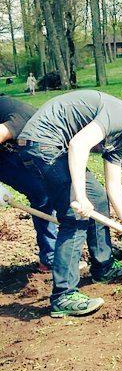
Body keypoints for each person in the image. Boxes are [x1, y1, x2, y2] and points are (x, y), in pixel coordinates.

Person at [16, 89, 122, 318]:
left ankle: (103, 266)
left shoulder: (120, 135)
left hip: (51, 148)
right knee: (74, 216)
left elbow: (114, 187)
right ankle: (63, 295)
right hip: (42, 144)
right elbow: (78, 145)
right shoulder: (119, 112)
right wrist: (78, 195)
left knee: (97, 197)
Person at [0, 95, 57, 270]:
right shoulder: (24, 119)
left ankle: (50, 259)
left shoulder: (49, 136)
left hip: (6, 155)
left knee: (42, 194)